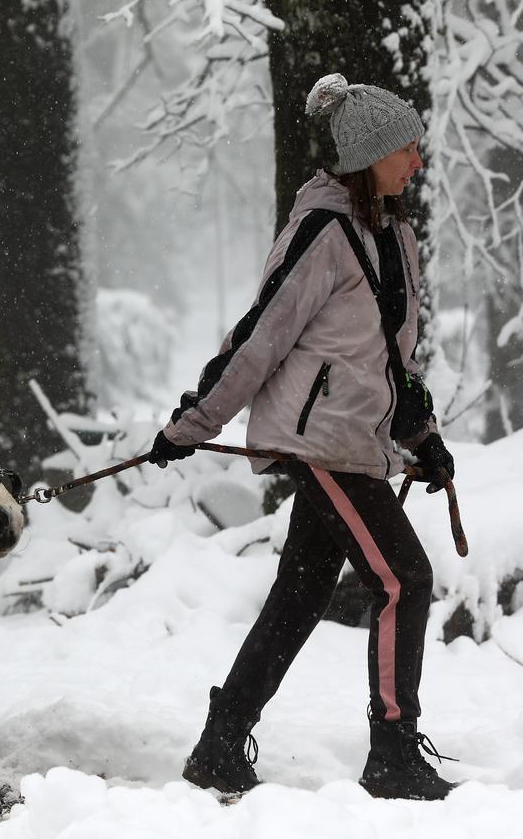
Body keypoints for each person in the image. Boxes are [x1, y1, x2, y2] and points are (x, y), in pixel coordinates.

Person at [149, 72, 459, 801]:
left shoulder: (396, 238)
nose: (418, 160)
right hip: (323, 445)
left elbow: (394, 358)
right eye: (407, 148)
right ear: (372, 154)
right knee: (402, 577)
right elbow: (260, 336)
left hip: (357, 444)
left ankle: (221, 742)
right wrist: (193, 422)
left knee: (299, 595)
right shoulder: (323, 232)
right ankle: (391, 751)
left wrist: (425, 434)